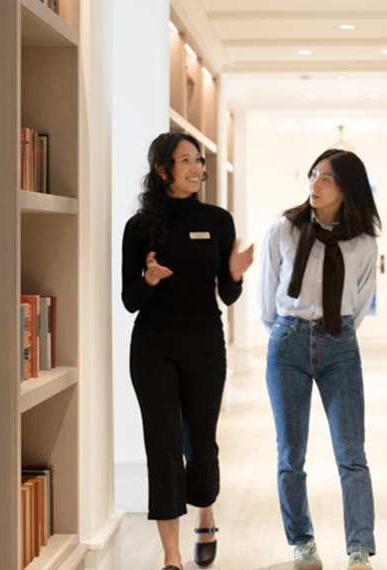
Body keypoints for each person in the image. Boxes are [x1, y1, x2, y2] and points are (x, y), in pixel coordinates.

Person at [121, 132, 254, 570]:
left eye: (199, 160)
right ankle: (172, 558)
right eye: (186, 161)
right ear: (163, 170)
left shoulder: (218, 220)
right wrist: (151, 280)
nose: (198, 168)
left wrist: (233, 275)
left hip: (203, 343)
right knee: (162, 447)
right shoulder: (140, 227)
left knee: (200, 441)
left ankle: (206, 512)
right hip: (153, 346)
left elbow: (229, 297)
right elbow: (129, 299)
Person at [258, 149, 381, 570]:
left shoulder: (363, 242)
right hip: (288, 340)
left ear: (347, 187)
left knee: (351, 452)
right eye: (312, 175)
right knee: (290, 453)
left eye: (326, 178)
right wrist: (286, 331)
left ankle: (359, 548)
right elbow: (268, 292)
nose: (315, 183)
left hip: (339, 343)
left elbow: (361, 301)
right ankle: (302, 542)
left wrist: (336, 332)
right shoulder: (285, 229)